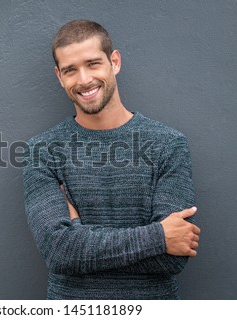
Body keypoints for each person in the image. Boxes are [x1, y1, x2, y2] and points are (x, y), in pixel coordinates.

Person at [22, 19, 201, 299]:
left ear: (114, 62)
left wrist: (79, 236)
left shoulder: (168, 144)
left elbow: (172, 259)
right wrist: (158, 237)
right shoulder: (42, 151)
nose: (83, 80)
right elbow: (58, 252)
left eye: (93, 64)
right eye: (71, 70)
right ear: (59, 76)